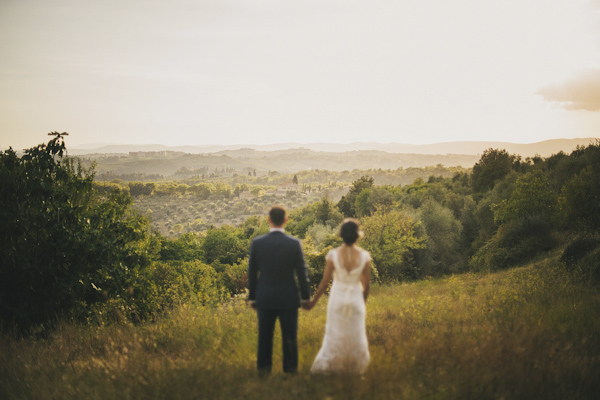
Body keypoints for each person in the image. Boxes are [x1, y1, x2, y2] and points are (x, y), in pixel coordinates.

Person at [247, 206, 311, 375]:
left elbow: (252, 273)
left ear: (268, 220)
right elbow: (302, 273)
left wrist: (252, 298)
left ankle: (263, 371)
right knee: (289, 337)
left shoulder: (257, 243)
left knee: (264, 337)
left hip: (265, 297)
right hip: (288, 297)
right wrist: (305, 298)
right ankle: (290, 371)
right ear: (286, 220)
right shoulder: (294, 243)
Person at [308, 218, 371, 374]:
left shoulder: (333, 255)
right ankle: (355, 368)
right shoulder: (364, 256)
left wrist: (313, 301)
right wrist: (361, 302)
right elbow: (367, 285)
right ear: (357, 235)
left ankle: (332, 367)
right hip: (356, 299)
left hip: (337, 299)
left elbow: (324, 282)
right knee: (356, 334)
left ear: (341, 235)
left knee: (334, 334)